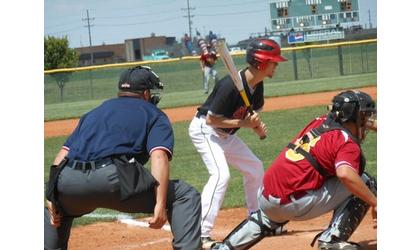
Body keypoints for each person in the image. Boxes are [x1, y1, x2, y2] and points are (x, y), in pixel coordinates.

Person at [44, 66, 202, 250]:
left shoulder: (94, 113)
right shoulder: (154, 114)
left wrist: (51, 195)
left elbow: (62, 155)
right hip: (113, 181)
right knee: (184, 195)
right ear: (145, 93)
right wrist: (160, 204)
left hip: (68, 182)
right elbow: (159, 157)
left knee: (53, 211)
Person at [211, 90, 378, 250]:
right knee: (365, 182)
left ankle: (225, 247)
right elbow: (345, 174)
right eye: (364, 116)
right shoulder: (346, 142)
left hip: (265, 196)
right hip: (294, 205)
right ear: (354, 117)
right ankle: (332, 240)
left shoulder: (319, 121)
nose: (366, 120)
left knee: (268, 218)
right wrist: (376, 203)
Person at [188, 38, 287, 249]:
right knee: (220, 175)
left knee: (255, 168)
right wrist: (245, 123)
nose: (276, 65)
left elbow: (251, 116)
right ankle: (200, 234)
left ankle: (255, 221)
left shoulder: (257, 86)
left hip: (226, 135)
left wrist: (255, 126)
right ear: (261, 62)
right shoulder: (229, 85)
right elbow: (211, 119)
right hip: (206, 131)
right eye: (273, 61)